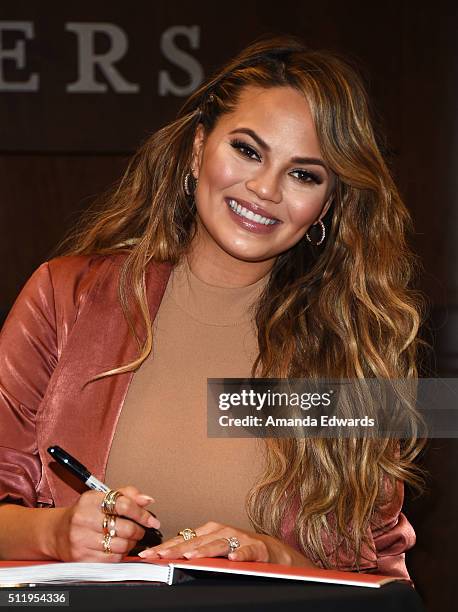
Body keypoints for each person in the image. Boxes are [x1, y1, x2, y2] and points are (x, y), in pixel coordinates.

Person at [0, 34, 425, 578]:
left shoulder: (357, 348)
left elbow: (382, 579)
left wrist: (273, 557)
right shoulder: (67, 297)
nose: (265, 188)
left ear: (328, 202)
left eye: (304, 174)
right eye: (247, 150)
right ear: (199, 148)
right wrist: (55, 533)